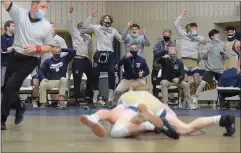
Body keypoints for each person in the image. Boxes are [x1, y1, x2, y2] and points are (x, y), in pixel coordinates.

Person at [81, 82, 235, 138]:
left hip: (136, 107)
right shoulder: (151, 96)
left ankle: (94, 117)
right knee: (186, 129)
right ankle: (221, 119)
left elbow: (113, 114)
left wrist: (106, 117)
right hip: (161, 109)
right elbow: (166, 109)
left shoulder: (128, 95)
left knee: (115, 124)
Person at [1, 0, 55, 130]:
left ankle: (1, 120)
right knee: (5, 89)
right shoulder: (20, 14)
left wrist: (37, 48)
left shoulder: (46, 26)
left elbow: (50, 47)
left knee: (9, 87)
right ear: (34, 5)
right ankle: (20, 106)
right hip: (15, 57)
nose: (44, 10)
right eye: (43, 6)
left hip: (30, 61)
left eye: (46, 7)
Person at [84, 10, 124, 103]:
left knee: (111, 71)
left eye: (108, 18)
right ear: (102, 20)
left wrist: (122, 39)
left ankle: (111, 91)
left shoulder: (113, 30)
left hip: (110, 53)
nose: (107, 19)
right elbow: (86, 26)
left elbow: (120, 38)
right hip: (99, 52)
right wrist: (91, 16)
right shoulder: (98, 28)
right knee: (95, 73)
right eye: (105, 18)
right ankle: (96, 92)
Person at [31, 22, 68, 107]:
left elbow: (65, 51)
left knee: (54, 89)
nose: (51, 28)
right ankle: (41, 102)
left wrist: (58, 56)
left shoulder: (60, 39)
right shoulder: (41, 39)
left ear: (55, 28)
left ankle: (56, 102)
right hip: (45, 64)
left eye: (53, 27)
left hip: (55, 65)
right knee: (43, 84)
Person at [174, 9, 208, 95]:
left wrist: (196, 36)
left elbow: (206, 42)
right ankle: (182, 99)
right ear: (188, 28)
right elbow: (176, 24)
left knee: (196, 82)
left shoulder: (198, 37)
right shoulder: (183, 34)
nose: (193, 29)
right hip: (184, 61)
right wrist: (182, 14)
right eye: (191, 27)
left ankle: (194, 98)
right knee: (184, 82)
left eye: (194, 28)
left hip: (194, 62)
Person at [192, 29, 230, 105]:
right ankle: (194, 99)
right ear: (212, 36)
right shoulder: (207, 45)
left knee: (222, 86)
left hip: (219, 69)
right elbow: (203, 57)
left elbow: (228, 56)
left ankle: (222, 101)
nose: (218, 35)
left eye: (218, 34)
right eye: (216, 34)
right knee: (202, 83)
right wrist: (208, 51)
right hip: (209, 69)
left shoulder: (222, 44)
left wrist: (224, 54)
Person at [68, 7, 94, 104]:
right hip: (78, 59)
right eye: (80, 26)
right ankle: (77, 98)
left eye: (84, 26)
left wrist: (96, 54)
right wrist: (69, 13)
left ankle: (88, 96)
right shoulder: (75, 33)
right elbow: (69, 24)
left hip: (86, 59)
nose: (83, 27)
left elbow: (92, 48)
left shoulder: (88, 36)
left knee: (91, 76)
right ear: (78, 28)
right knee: (77, 79)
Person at [152, 29, 176, 96]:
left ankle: (169, 100)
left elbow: (174, 54)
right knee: (155, 84)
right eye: (165, 35)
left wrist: (169, 54)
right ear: (163, 35)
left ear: (170, 36)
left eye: (168, 35)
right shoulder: (158, 43)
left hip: (168, 68)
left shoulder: (172, 43)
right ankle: (155, 99)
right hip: (157, 67)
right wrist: (163, 51)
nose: (167, 36)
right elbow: (155, 54)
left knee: (168, 84)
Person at [1, 20, 14, 89]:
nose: (14, 27)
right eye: (12, 26)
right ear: (7, 28)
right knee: (4, 84)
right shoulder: (3, 38)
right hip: (5, 64)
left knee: (14, 84)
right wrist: (14, 47)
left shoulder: (16, 37)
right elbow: (4, 50)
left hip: (15, 64)